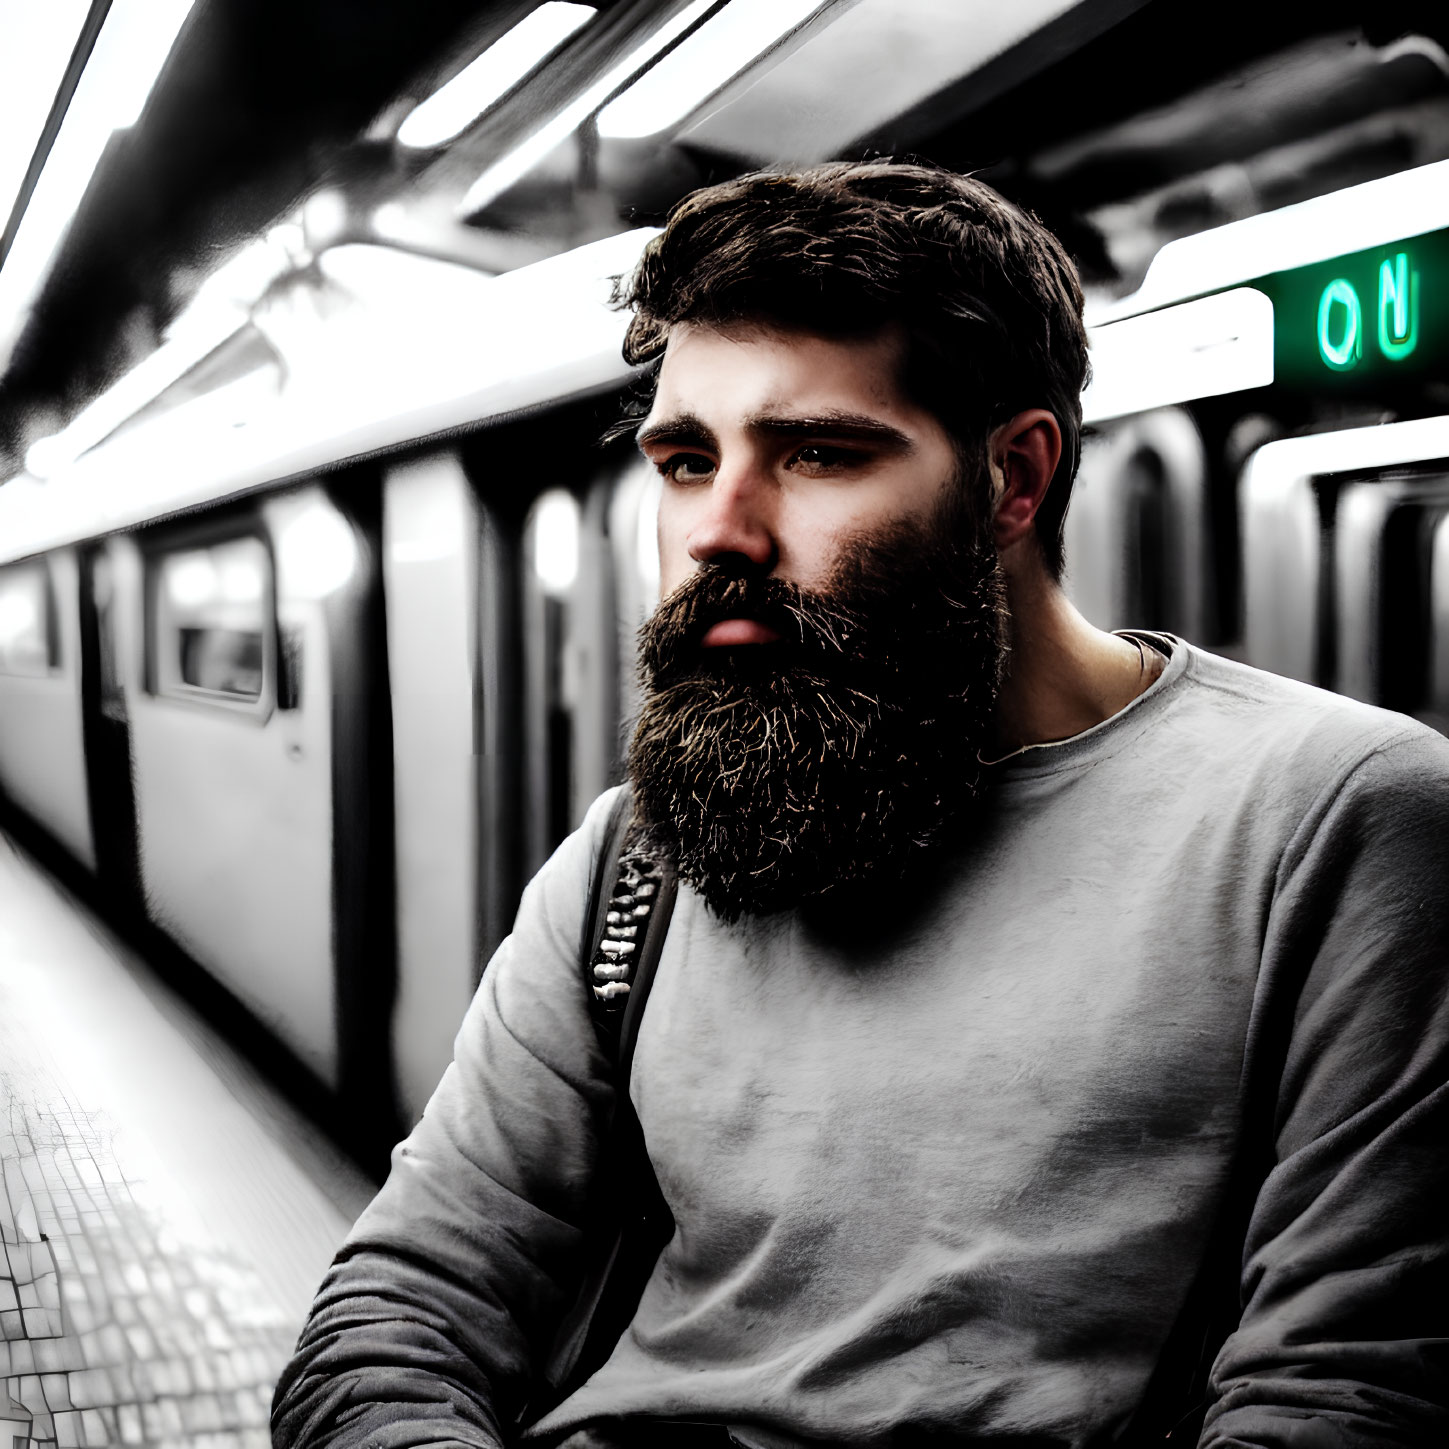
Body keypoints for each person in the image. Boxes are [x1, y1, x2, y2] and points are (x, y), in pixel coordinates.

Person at [271, 162, 1449, 1448]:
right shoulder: (633, 864)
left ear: (1014, 478)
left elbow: (1346, 1401)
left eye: (819, 453)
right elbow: (402, 1304)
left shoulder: (1336, 827)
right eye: (682, 460)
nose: (718, 530)